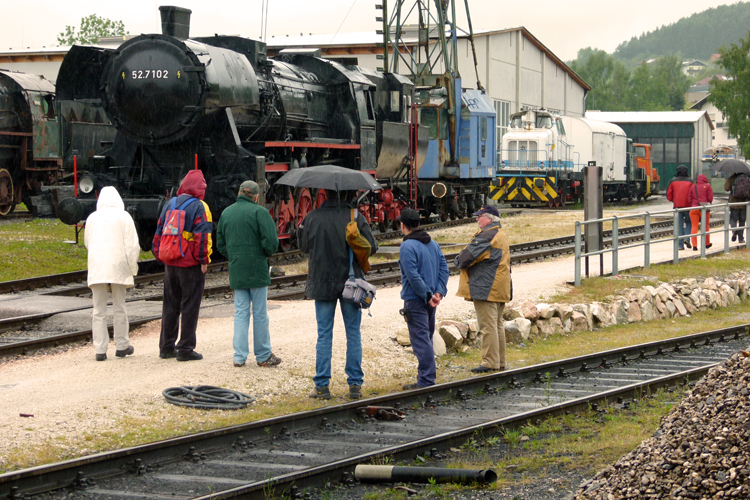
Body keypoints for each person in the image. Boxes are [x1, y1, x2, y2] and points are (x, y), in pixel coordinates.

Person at [298, 190, 378, 400]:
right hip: (350, 284)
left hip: (321, 282)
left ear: (325, 196)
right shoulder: (354, 217)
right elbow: (373, 247)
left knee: (324, 334)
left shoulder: (312, 217)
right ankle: (354, 385)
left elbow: (303, 247)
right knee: (353, 333)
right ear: (346, 194)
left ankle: (322, 386)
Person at [216, 180, 282, 368]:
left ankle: (239, 356)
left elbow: (220, 243)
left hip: (237, 268)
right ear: (255, 196)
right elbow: (271, 242)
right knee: (260, 313)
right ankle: (263, 355)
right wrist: (263, 254)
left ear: (239, 193)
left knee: (241, 313)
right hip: (258, 269)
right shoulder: (260, 212)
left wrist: (235, 256)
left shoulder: (227, 213)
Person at [152, 170, 213, 361]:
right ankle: (185, 348)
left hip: (170, 262)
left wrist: (160, 256)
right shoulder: (200, 207)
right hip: (190, 264)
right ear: (200, 189)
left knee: (170, 305)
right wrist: (203, 260)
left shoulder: (169, 203)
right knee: (190, 306)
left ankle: (166, 347)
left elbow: (159, 231)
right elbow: (202, 236)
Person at [84, 186, 141, 361]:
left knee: (98, 310)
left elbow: (88, 242)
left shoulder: (92, 218)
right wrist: (133, 269)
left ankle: (100, 350)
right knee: (119, 307)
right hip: (118, 265)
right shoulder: (124, 217)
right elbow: (132, 246)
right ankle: (122, 345)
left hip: (97, 266)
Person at [455, 205, 511, 373]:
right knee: (497, 325)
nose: (477, 219)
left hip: (486, 287)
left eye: (480, 216)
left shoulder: (487, 235)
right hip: (500, 286)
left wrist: (458, 258)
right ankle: (499, 361)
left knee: (487, 326)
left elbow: (464, 259)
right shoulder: (500, 234)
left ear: (489, 218)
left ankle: (489, 362)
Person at [397, 208, 449, 390]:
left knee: (420, 339)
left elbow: (412, 275)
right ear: (419, 224)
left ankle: (426, 380)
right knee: (426, 336)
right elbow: (444, 269)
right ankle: (425, 377)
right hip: (431, 300)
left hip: (416, 299)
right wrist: (438, 292)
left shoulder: (407, 247)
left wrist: (427, 295)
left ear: (403, 225)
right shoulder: (433, 244)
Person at [666, 164, 694, 250]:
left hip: (677, 207)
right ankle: (687, 238)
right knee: (690, 223)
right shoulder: (691, 181)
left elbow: (669, 195)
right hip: (688, 207)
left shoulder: (672, 181)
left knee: (679, 225)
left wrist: (674, 200)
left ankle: (680, 245)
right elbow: (693, 193)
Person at [688, 173, 714, 251]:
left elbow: (689, 199)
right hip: (704, 208)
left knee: (694, 227)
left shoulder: (693, 186)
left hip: (694, 208)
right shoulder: (708, 186)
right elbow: (710, 198)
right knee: (706, 226)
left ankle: (695, 246)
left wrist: (692, 205)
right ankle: (707, 243)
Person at [724, 173, 748, 243]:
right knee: (742, 221)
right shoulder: (746, 178)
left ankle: (734, 231)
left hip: (734, 203)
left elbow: (726, 188)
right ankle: (741, 238)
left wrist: (732, 187)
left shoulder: (732, 178)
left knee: (733, 219)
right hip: (744, 203)